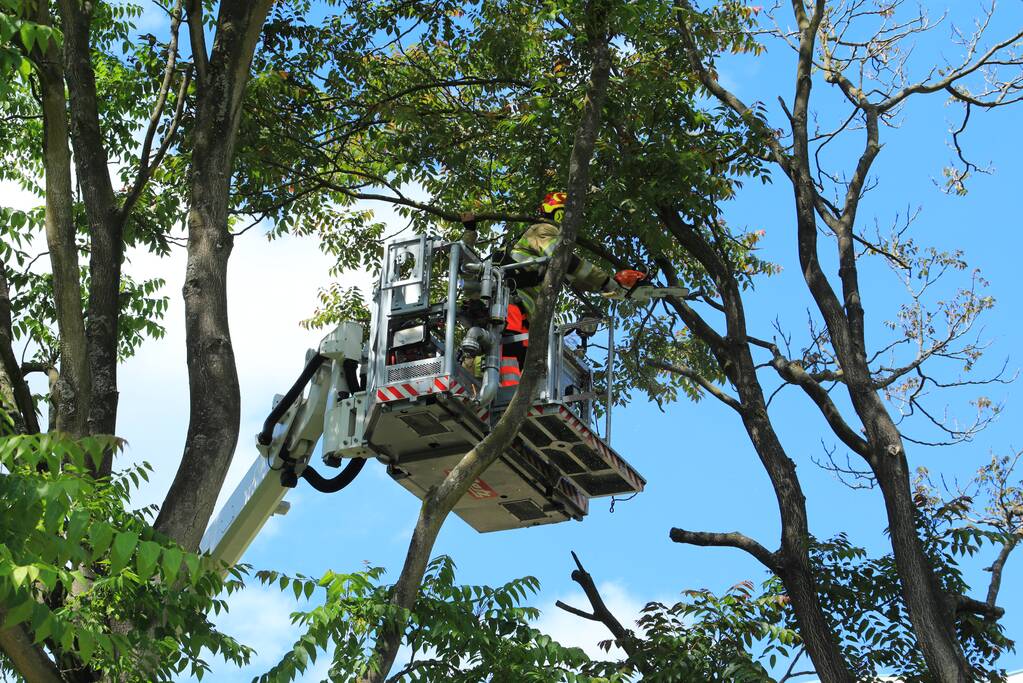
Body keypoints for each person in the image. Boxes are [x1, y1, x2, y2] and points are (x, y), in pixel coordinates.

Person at [461, 192, 645, 387]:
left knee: (513, 354)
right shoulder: (543, 229)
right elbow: (568, 261)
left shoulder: (543, 256)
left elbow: (575, 277)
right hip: (511, 306)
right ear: (559, 214)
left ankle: (491, 389)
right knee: (509, 350)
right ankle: (500, 390)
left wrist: (611, 287)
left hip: (518, 311)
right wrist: (608, 282)